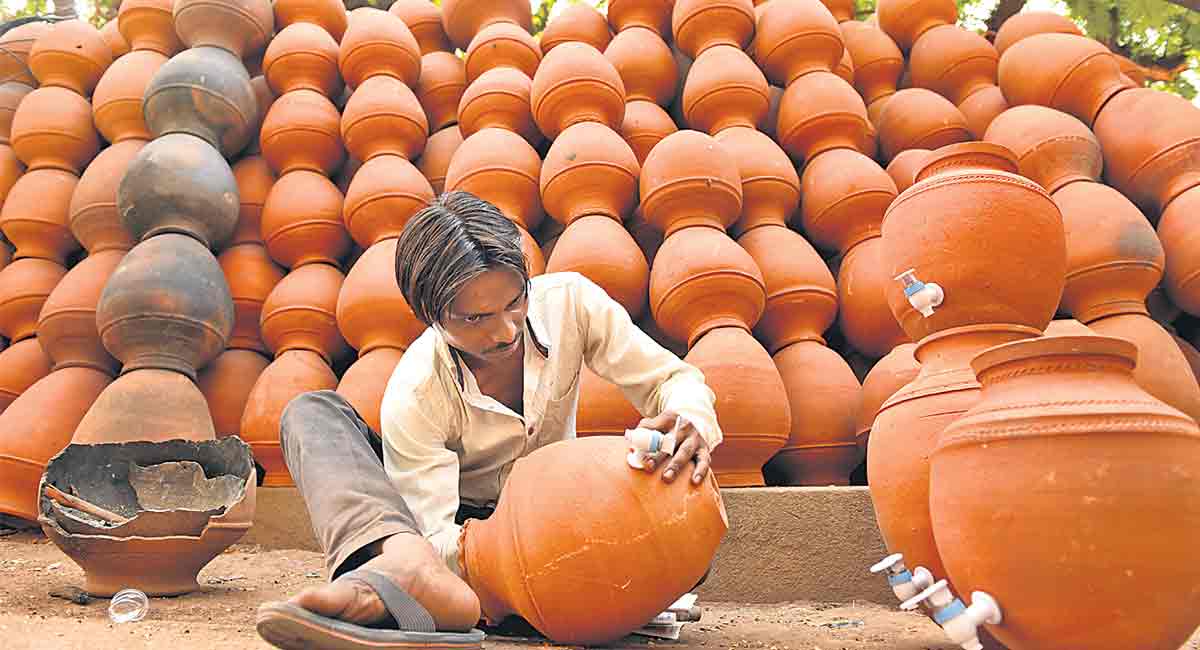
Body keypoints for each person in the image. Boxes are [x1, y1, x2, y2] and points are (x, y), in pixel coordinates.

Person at [256, 191, 723, 650]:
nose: (506, 331)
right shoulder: (417, 389)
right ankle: (408, 570)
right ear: (430, 315)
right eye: (476, 318)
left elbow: (672, 379)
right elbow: (434, 533)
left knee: (681, 525)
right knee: (311, 415)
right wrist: (478, 559)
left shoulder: (571, 303)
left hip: (555, 523)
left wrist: (689, 420)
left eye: (514, 302)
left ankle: (452, 599)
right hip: (458, 532)